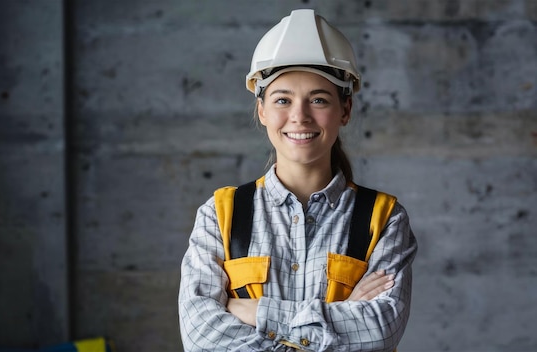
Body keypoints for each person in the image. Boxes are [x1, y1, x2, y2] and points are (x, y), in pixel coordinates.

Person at [178, 9, 417, 352]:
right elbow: (201, 338)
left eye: (318, 100)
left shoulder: (384, 219)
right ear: (262, 111)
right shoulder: (220, 215)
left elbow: (379, 333)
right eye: (282, 100)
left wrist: (257, 310)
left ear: (345, 110)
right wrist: (342, 318)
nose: (299, 116)